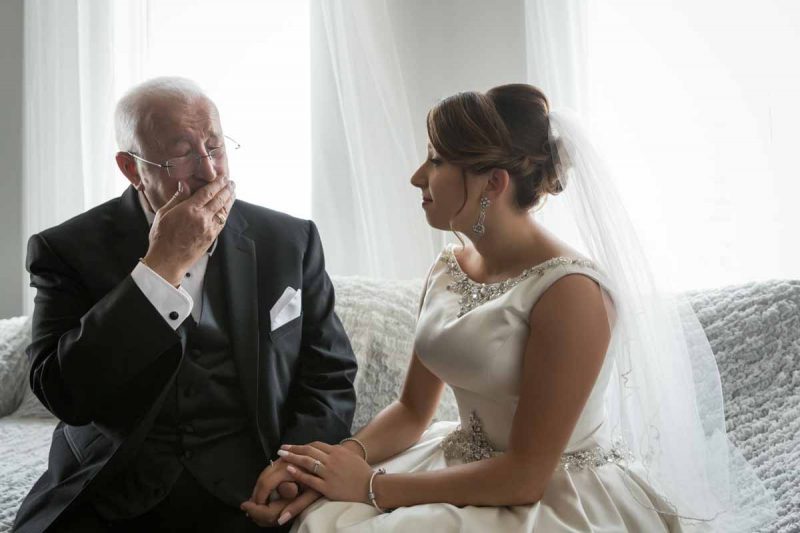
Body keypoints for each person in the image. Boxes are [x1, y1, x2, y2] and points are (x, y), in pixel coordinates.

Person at [245, 84, 776, 532]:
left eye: (435, 160)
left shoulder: (570, 294)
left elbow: (526, 475)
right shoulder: (450, 267)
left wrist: (373, 487)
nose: (416, 177)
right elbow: (412, 410)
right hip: (459, 460)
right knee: (323, 517)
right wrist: (336, 463)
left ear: (492, 184)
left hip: (548, 494)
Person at [12, 76, 358, 533]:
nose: (210, 171)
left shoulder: (289, 242)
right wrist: (159, 270)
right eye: (182, 155)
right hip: (113, 487)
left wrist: (294, 467)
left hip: (251, 486)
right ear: (132, 169)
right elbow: (63, 394)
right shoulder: (66, 249)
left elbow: (329, 375)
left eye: (215, 147)